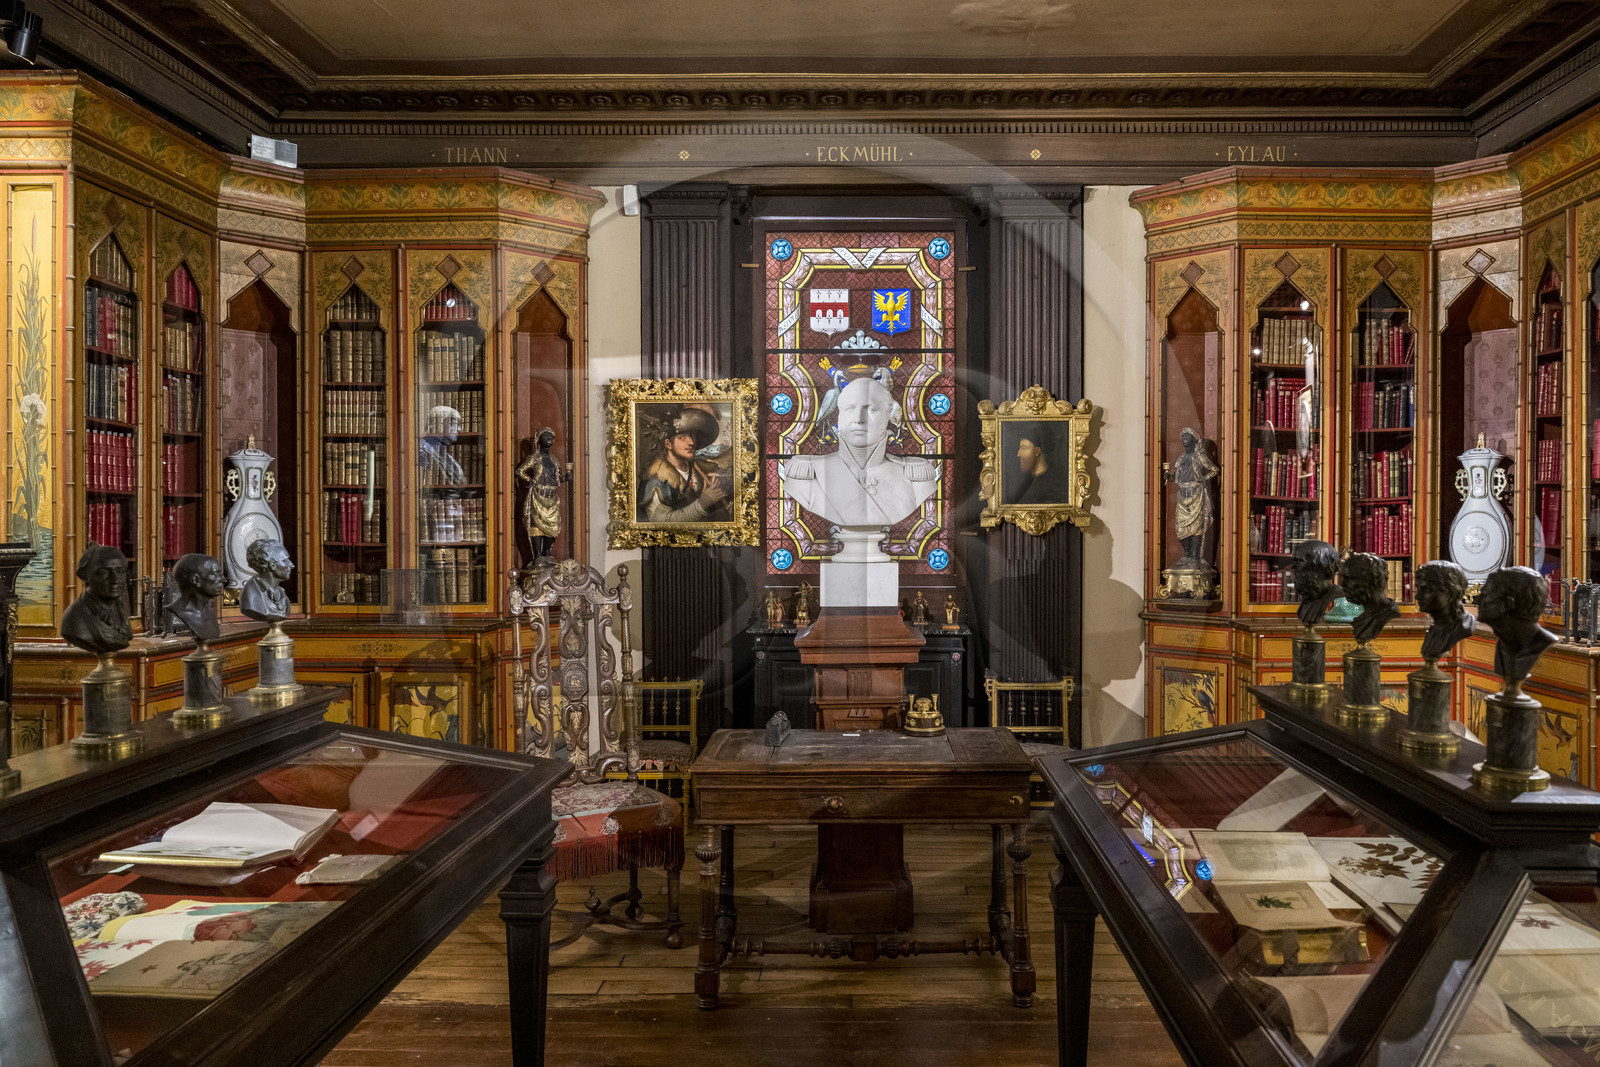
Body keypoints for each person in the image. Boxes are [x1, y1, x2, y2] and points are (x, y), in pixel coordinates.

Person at [780, 375, 938, 528]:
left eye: (870, 409)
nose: (858, 418)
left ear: (886, 418)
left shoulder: (914, 480)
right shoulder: (808, 477)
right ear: (839, 418)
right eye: (849, 409)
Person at [638, 407, 730, 523]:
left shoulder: (698, 469)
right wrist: (702, 504)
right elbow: (661, 522)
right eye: (681, 437)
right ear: (668, 444)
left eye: (692, 436)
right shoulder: (657, 479)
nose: (691, 442)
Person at [1478, 565, 1558, 684]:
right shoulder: (1504, 641)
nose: (1478, 600)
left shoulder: (1539, 643)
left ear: (1508, 603)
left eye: (1485, 594)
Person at [60, 544, 133, 654]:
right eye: (104, 572)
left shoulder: (119, 608)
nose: (115, 580)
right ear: (85, 576)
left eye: (119, 571)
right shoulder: (75, 619)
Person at [1162, 428, 1218, 567]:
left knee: (1196, 527)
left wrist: (1205, 478)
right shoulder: (1181, 458)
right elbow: (1178, 477)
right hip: (1183, 496)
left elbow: (1214, 470)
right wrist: (1169, 477)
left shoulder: (1200, 456)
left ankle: (1194, 557)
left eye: (1188, 436)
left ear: (1194, 440)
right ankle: (1186, 554)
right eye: (1183, 436)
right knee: (1181, 527)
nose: (1184, 438)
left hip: (1196, 494)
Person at [516, 427, 567, 560]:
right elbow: (520, 471)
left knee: (552, 525)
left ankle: (547, 553)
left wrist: (567, 477)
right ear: (539, 440)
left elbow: (557, 478)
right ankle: (538, 555)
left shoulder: (554, 460)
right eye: (545, 436)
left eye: (551, 436)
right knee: (536, 526)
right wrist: (530, 480)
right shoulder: (535, 457)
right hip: (538, 495)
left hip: (552, 497)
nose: (549, 438)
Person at [1415, 559, 1474, 662]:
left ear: (1451, 592)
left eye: (1426, 590)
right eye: (1418, 589)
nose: (1417, 596)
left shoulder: (1462, 627)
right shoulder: (1436, 627)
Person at [1339, 551, 1399, 646]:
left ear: (1371, 580)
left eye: (1349, 578)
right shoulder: (1364, 616)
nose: (1342, 584)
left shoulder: (1387, 616)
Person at [163, 553, 225, 642]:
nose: (223, 579)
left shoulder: (209, 613)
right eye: (215, 574)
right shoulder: (183, 612)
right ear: (196, 580)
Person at [1008, 422, 1070, 505]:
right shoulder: (1026, 480)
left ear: (1037, 451)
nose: (1018, 454)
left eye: (1024, 448)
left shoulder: (1053, 484)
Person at [1291, 540, 1342, 629]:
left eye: (1298, 561)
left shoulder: (1341, 599)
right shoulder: (1308, 598)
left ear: (1318, 564)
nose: (1293, 567)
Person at [240, 539, 293, 623]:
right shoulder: (251, 594)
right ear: (272, 565)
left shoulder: (281, 594)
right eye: (285, 560)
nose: (292, 565)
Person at [418, 405, 466, 487]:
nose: (459, 429)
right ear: (438, 425)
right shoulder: (421, 451)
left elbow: (461, 483)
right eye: (454, 424)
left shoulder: (446, 456)